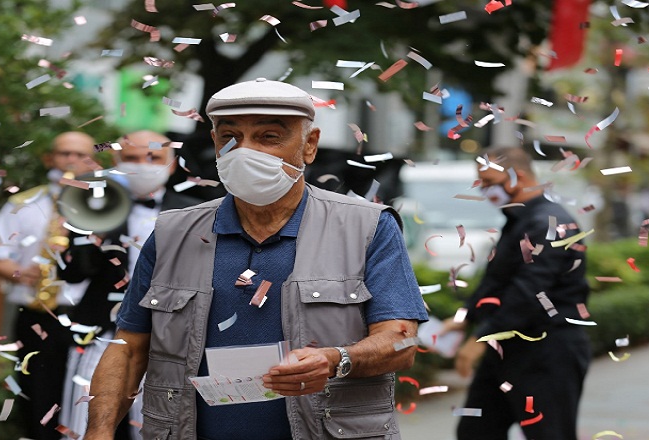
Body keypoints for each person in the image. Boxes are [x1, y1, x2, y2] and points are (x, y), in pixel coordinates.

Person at [83, 78, 428, 440]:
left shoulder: (367, 227)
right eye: (230, 137)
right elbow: (128, 349)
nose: (244, 151)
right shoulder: (173, 233)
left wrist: (335, 359)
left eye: (268, 137)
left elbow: (401, 342)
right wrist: (99, 431)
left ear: (309, 145)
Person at [58, 130, 200, 439]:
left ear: (171, 164)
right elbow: (73, 273)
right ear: (117, 162)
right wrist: (83, 224)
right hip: (99, 331)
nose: (143, 165)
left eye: (153, 158)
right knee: (83, 421)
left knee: (158, 423)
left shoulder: (194, 212)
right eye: (132, 158)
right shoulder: (96, 204)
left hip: (169, 335)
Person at [443, 146, 591, 439]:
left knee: (549, 434)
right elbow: (497, 282)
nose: (485, 191)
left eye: (488, 182)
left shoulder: (548, 224)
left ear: (518, 177)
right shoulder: (519, 221)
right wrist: (465, 316)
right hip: (506, 350)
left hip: (547, 351)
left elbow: (530, 293)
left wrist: (481, 338)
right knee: (476, 431)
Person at [0, 131, 98, 440]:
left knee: (85, 396)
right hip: (37, 312)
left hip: (87, 316)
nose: (72, 160)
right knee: (36, 394)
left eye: (80, 155)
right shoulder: (23, 202)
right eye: (64, 153)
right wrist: (19, 272)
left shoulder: (104, 201)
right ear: (49, 158)